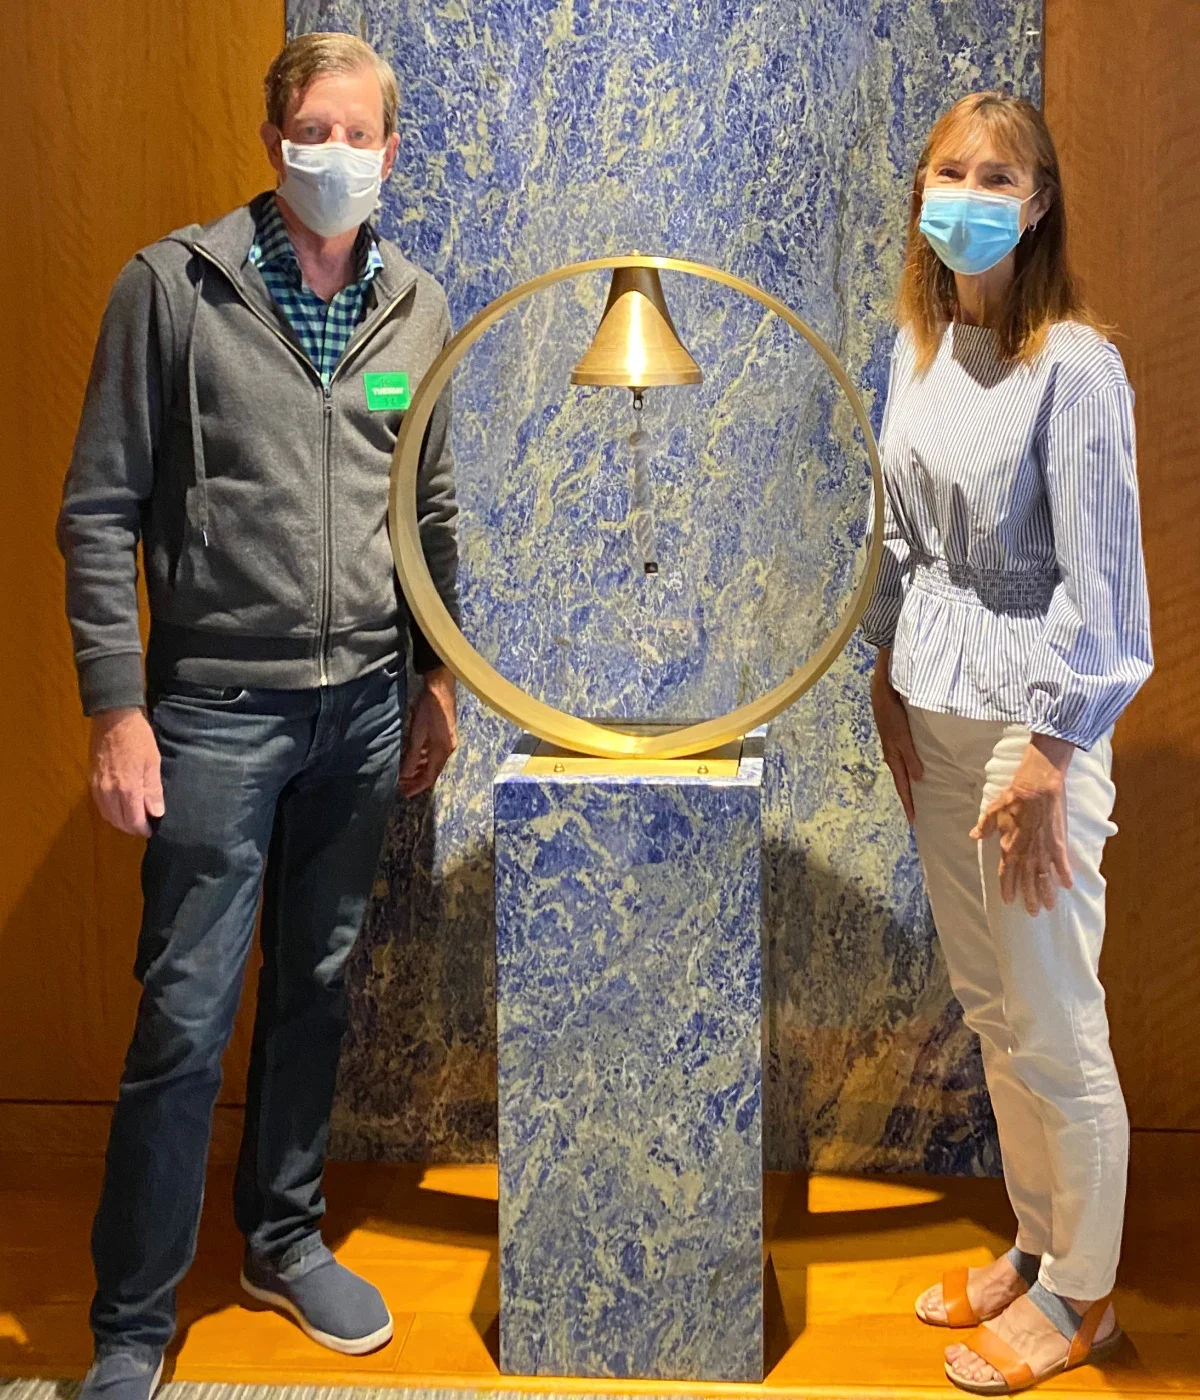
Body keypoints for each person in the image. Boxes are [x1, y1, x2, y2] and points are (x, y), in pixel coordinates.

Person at [58, 32, 460, 1400]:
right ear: (274, 137)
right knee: (184, 1012)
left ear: (393, 151)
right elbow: (98, 509)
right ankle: (129, 1319)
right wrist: (121, 709)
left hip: (361, 710)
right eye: (315, 132)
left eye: (364, 135)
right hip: (214, 714)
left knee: (317, 989)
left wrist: (437, 678)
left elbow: (432, 512)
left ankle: (281, 1240)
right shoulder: (172, 289)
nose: (338, 156)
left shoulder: (419, 306)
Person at [861, 91, 1152, 1395]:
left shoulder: (1074, 367)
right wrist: (883, 664)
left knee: (1053, 1018)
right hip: (933, 710)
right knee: (992, 1009)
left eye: (997, 174)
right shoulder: (917, 346)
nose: (968, 192)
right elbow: (902, 536)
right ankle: (1036, 1247)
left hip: (1029, 736)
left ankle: (1083, 1292)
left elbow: (1106, 589)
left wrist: (1050, 754)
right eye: (948, 170)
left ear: (1036, 205)